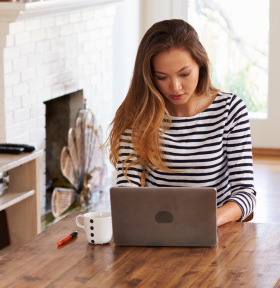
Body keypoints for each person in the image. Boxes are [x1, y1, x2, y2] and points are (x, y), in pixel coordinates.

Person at [108, 18, 256, 226]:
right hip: (157, 231)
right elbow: (127, 191)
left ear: (200, 65)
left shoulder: (230, 110)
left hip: (216, 233)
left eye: (184, 74)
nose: (175, 87)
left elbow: (246, 194)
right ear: (150, 76)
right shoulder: (139, 116)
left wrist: (208, 220)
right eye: (162, 77)